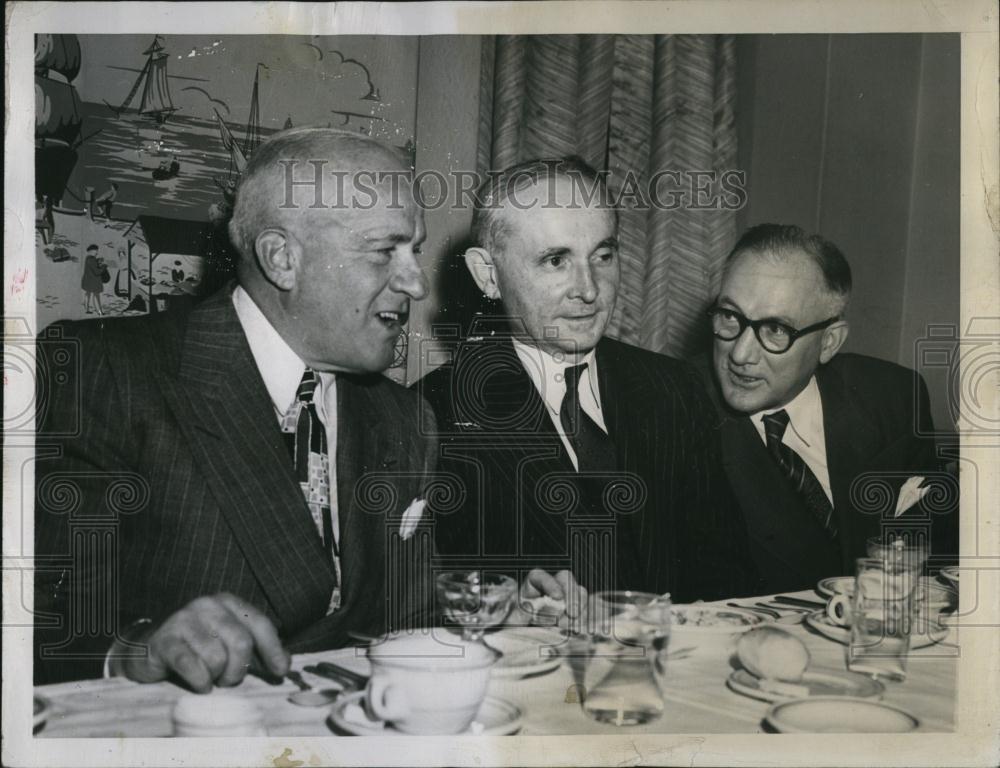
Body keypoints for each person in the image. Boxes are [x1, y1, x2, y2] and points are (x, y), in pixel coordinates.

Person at [35, 129, 441, 689]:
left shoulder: (406, 419)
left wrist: (507, 613)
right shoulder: (103, 370)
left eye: (415, 250)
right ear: (282, 259)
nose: (416, 283)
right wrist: (135, 651)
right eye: (384, 251)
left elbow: (414, 620)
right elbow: (40, 620)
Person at [416, 157, 758, 602]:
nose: (590, 289)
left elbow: (727, 575)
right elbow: (419, 595)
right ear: (488, 275)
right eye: (556, 260)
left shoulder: (674, 388)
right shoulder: (431, 413)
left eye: (603, 256)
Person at [699, 223, 957, 592]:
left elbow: (937, 545)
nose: (740, 353)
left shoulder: (894, 395)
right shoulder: (674, 409)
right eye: (729, 316)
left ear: (829, 343)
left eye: (776, 329)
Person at [80, 243, 104, 315]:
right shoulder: (92, 259)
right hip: (93, 281)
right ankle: (99, 311)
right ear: (91, 251)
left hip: (87, 280)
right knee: (96, 296)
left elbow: (93, 265)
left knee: (88, 294)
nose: (97, 252)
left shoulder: (88, 258)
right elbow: (97, 272)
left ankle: (87, 309)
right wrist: (104, 267)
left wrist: (98, 261)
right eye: (96, 251)